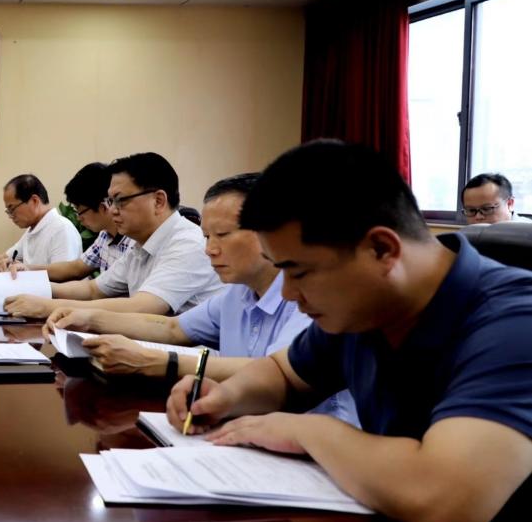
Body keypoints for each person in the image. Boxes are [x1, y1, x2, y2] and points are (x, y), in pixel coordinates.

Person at [165, 140, 532, 522]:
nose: (288, 293)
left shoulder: (515, 322)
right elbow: (283, 373)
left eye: (299, 272)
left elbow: (443, 496)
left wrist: (306, 431)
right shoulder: (368, 305)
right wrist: (225, 396)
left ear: (381, 249)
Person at [47, 173, 356, 423]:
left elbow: (276, 374)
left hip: (313, 449)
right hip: (241, 428)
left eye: (222, 235)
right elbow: (174, 329)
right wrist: (91, 319)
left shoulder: (313, 298)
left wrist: (158, 362)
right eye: (207, 236)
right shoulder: (238, 292)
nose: (209, 249)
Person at [4, 153, 221, 319]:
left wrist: (47, 306)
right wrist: (31, 286)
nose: (113, 210)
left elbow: (142, 307)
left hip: (192, 359)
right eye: (110, 201)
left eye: (120, 200)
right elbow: (92, 289)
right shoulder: (139, 245)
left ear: (158, 201)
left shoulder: (187, 243)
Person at [11, 163, 132, 283]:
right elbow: (76, 268)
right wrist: (28, 269)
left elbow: (94, 289)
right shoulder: (104, 236)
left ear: (103, 207)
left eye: (80, 211)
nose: (79, 218)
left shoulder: (132, 243)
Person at [0, 174, 81, 271]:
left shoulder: (62, 229)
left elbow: (63, 275)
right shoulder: (33, 229)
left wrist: (26, 270)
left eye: (12, 209)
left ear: (34, 201)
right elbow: (5, 258)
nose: (10, 216)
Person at [461, 172, 529, 224]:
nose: (478, 217)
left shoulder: (528, 232)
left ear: (509, 204)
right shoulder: (467, 235)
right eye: (471, 211)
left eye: (486, 209)